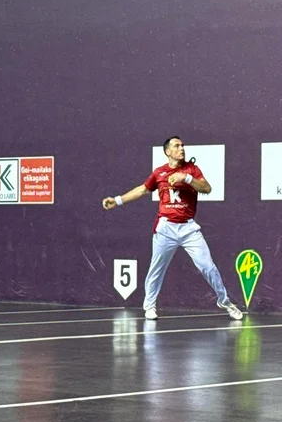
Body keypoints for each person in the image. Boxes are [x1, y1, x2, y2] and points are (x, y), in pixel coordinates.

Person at [102, 136, 243, 321]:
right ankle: (149, 306)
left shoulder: (192, 169)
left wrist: (187, 178)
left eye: (182, 145)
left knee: (208, 267)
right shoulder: (159, 173)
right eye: (177, 146)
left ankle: (225, 301)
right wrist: (117, 200)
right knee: (156, 268)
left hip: (189, 229)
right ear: (168, 152)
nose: (181, 148)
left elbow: (207, 188)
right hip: (165, 228)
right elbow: (142, 190)